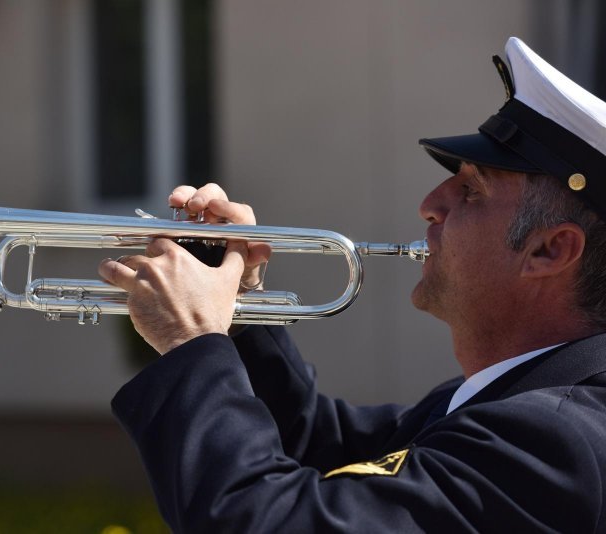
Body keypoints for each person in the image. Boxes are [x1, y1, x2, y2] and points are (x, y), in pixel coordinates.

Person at [99, 37, 606, 532]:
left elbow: (265, 520)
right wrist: (236, 312)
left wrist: (193, 341)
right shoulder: (502, 399)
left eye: (471, 191)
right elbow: (320, 449)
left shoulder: (552, 441)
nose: (430, 203)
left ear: (550, 250)